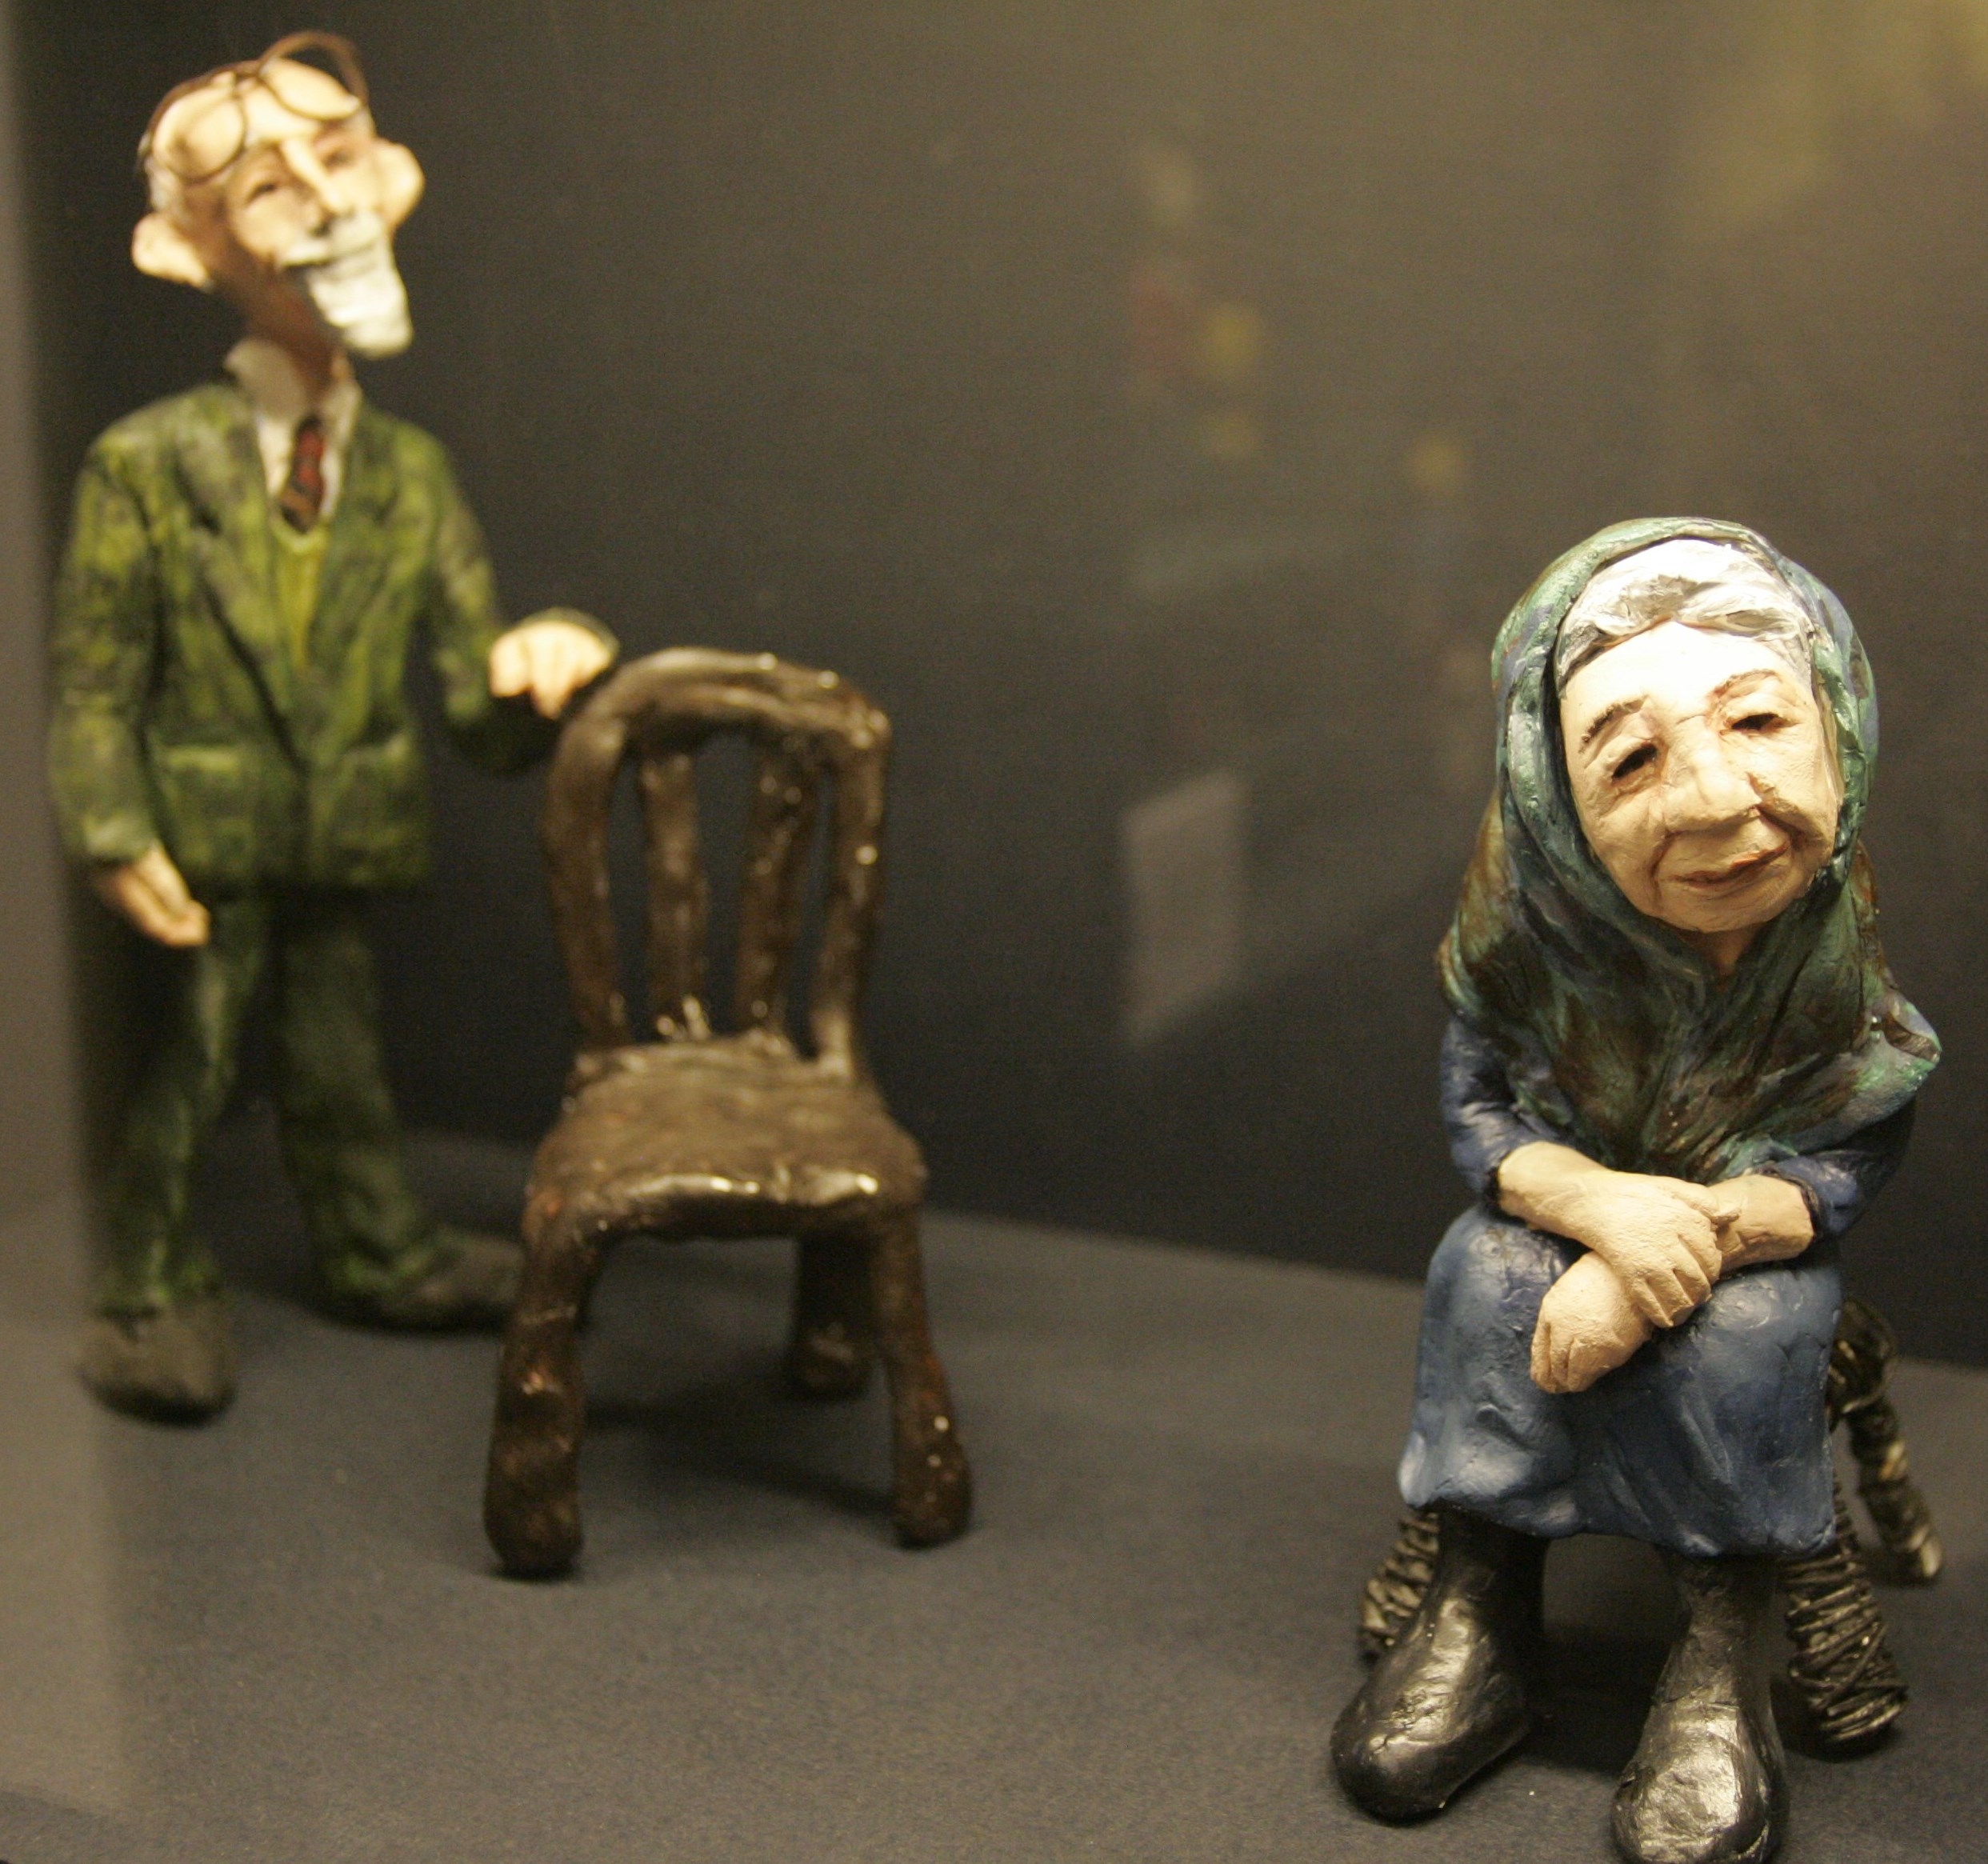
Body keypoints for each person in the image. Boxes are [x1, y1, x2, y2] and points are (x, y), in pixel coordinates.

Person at [1330, 521, 1937, 1864]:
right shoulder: (1526, 947)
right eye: (1629, 758)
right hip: (1559, 1216)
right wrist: (1602, 1212)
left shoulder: (1832, 973)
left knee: (1751, 1332)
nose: (1713, 799)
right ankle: (1483, 1601)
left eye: (1758, 721)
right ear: (1554, 803)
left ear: (1836, 728)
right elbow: (1481, 1115)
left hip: (1751, 1249)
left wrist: (1688, 1241)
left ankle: (1719, 1647)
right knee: (1482, 1270)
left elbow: (1850, 1152)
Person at [47, 34, 618, 1421]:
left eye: (341, 156)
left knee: (339, 1053)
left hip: (344, 831)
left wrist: (536, 669)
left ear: (393, 176)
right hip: (205, 836)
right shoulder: (145, 463)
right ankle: (145, 1285)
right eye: (265, 188)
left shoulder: (411, 475)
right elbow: (95, 677)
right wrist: (111, 827)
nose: (322, 200)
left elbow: (473, 699)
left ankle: (377, 1247)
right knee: (191, 1059)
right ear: (185, 251)